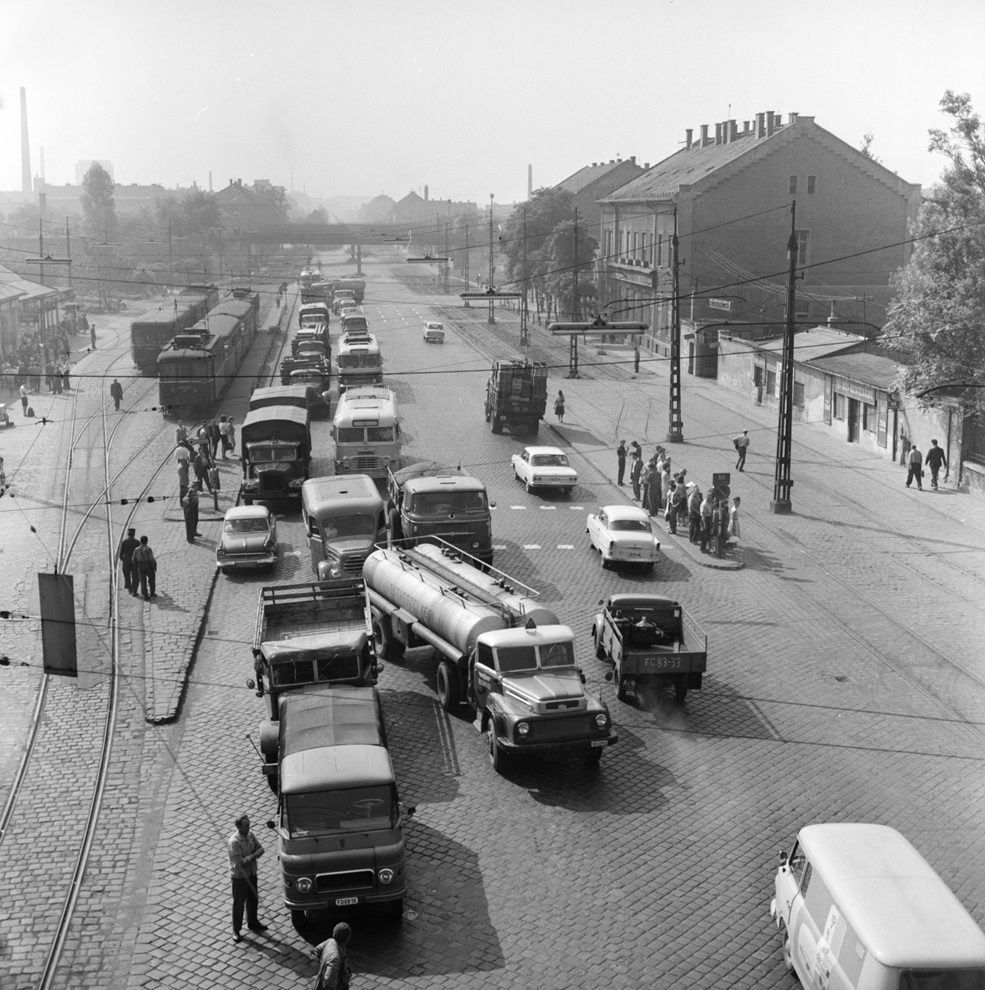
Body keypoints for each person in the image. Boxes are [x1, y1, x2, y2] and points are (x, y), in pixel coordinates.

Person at [228, 814, 266, 942]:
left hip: (252, 873)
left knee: (253, 900)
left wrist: (250, 857)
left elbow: (261, 849)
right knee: (238, 904)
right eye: (246, 826)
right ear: (238, 827)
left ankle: (253, 922)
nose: (249, 828)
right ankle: (236, 930)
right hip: (239, 877)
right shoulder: (234, 842)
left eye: (249, 825)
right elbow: (240, 864)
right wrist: (253, 856)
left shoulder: (250, 835)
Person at [311, 922, 352, 990]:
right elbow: (329, 984)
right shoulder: (335, 959)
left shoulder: (329, 941)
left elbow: (316, 951)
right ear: (347, 939)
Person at [132, 536, 157, 600]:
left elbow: (133, 559)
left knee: (143, 581)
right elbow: (151, 559)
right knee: (151, 579)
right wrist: (154, 566)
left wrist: (136, 566)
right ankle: (152, 592)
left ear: (140, 541)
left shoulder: (136, 549)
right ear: (147, 541)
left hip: (140, 566)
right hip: (148, 565)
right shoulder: (148, 549)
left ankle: (145, 595)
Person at [117, 528, 140, 594]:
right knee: (135, 576)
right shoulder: (137, 542)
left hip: (126, 561)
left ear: (128, 534)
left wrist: (123, 559)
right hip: (134, 562)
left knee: (126, 574)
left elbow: (121, 554)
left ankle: (129, 586)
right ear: (134, 534)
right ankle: (134, 589)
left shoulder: (124, 542)